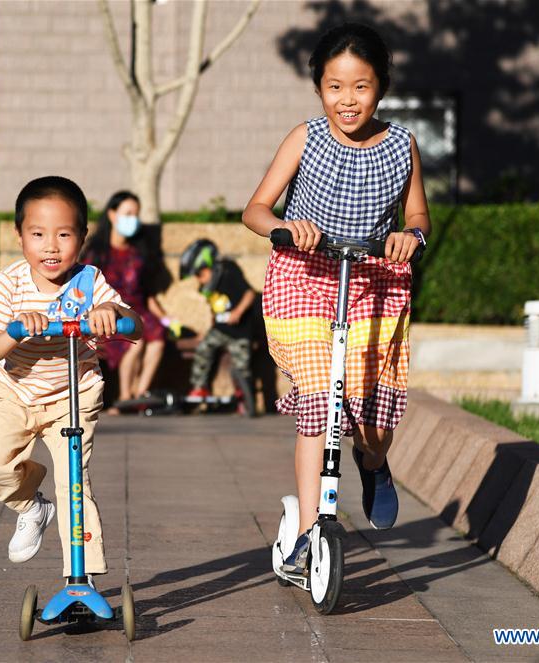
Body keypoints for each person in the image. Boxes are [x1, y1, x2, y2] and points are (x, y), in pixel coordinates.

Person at [242, 23, 431, 573]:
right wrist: (285, 227)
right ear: (318, 88)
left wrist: (410, 236)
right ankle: (307, 531)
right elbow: (254, 209)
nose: (347, 100)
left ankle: (372, 464)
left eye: (361, 87)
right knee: (320, 397)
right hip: (303, 278)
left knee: (374, 425)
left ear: (382, 87)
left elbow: (418, 215)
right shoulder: (304, 138)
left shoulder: (403, 145)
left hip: (375, 279)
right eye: (334, 87)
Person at [0, 176, 143, 580]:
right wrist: (14, 330)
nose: (51, 246)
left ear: (82, 237)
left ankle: (81, 578)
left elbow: (135, 327)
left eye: (64, 234)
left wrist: (112, 316)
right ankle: (32, 506)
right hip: (14, 393)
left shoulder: (90, 282)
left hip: (73, 396)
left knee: (74, 485)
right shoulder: (9, 283)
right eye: (38, 234)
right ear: (19, 236)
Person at [82, 191, 172, 409]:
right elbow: (84, 289)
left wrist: (167, 318)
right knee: (136, 340)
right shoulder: (97, 253)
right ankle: (125, 397)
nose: (133, 218)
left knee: (158, 334)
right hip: (110, 311)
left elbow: (147, 292)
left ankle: (140, 394)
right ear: (112, 214)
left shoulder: (138, 252)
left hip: (139, 309)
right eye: (128, 213)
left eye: (136, 214)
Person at [180, 239, 257, 416]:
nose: (199, 280)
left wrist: (238, 312)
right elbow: (214, 309)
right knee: (203, 349)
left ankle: (243, 395)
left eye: (200, 274)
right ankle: (200, 387)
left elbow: (249, 294)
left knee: (241, 366)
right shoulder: (207, 287)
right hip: (220, 330)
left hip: (239, 331)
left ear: (209, 266)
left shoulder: (229, 272)